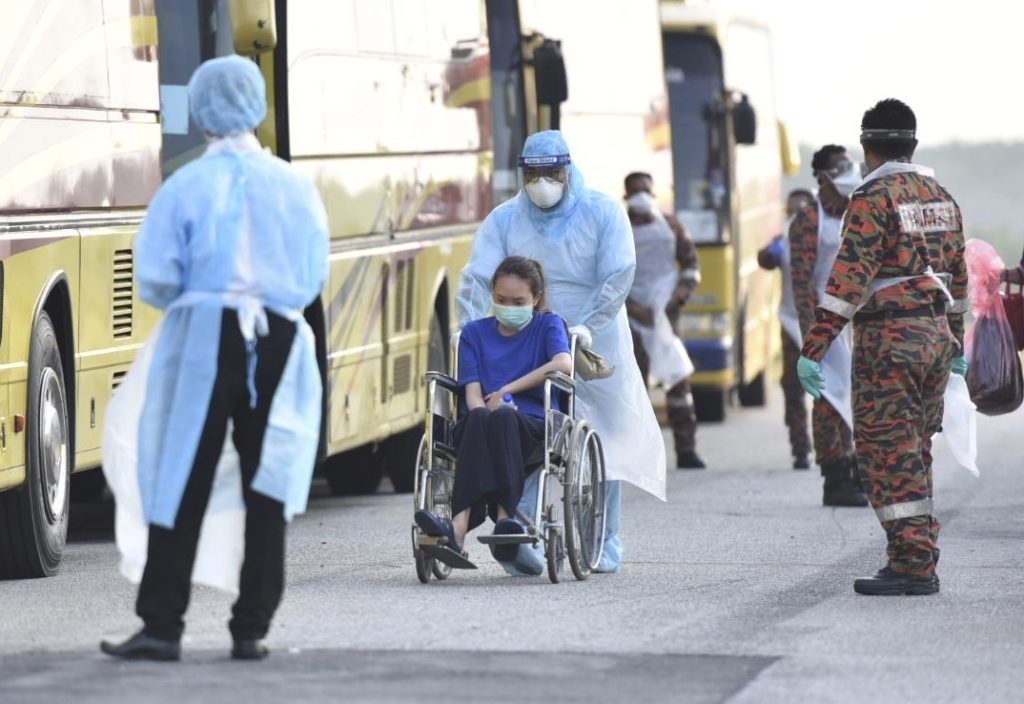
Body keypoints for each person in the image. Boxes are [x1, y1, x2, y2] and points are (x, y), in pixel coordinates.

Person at [100, 56, 329, 659]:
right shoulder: (294, 185)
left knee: (181, 474)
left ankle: (161, 626)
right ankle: (251, 628)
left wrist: (205, 299)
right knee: (268, 481)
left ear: (200, 113)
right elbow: (311, 275)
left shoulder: (184, 186)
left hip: (202, 335)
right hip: (279, 336)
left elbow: (155, 278)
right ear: (256, 108)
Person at [457, 130, 666, 574]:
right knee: (532, 425)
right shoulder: (505, 219)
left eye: (551, 173)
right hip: (525, 334)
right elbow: (478, 280)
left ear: (566, 171)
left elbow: (617, 274)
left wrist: (588, 324)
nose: (542, 182)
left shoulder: (603, 212)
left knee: (605, 434)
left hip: (595, 335)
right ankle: (516, 527)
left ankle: (603, 536)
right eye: (533, 174)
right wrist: (470, 332)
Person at [798, 99, 968, 596]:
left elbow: (849, 279)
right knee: (915, 451)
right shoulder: (941, 196)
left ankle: (913, 564)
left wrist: (814, 347)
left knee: (886, 455)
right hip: (934, 338)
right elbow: (957, 280)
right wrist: (956, 340)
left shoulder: (873, 197)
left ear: (866, 147)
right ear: (912, 146)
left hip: (889, 343)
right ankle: (915, 554)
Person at [414, 256, 572, 573]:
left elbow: (563, 364)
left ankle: (478, 523)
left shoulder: (547, 325)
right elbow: (472, 395)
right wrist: (487, 408)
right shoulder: (474, 334)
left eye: (518, 301)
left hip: (532, 426)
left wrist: (506, 390)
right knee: (485, 418)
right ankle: (481, 525)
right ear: (492, 295)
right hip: (479, 424)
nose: (508, 307)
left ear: (536, 299)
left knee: (503, 417)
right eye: (501, 300)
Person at [789, 146, 867, 506]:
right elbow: (802, 282)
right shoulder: (809, 219)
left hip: (856, 321)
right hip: (824, 321)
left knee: (852, 396)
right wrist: (812, 337)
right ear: (822, 177)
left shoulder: (859, 211)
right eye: (838, 168)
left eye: (848, 165)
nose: (848, 172)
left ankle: (853, 465)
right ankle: (834, 475)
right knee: (827, 398)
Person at [623, 172, 705, 469]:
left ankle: (686, 449)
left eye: (646, 190)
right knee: (634, 385)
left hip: (665, 315)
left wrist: (678, 296)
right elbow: (607, 274)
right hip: (631, 317)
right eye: (635, 191)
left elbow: (691, 265)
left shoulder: (670, 226)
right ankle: (637, 456)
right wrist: (631, 306)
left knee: (677, 379)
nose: (641, 195)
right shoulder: (618, 228)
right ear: (626, 196)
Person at [758, 189, 815, 469]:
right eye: (791, 212)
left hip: (827, 326)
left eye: (801, 210)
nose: (796, 217)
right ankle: (801, 448)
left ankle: (840, 448)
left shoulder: (828, 237)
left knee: (833, 389)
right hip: (793, 324)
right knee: (793, 388)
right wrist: (769, 252)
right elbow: (765, 261)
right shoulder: (784, 242)